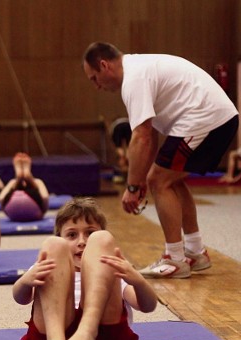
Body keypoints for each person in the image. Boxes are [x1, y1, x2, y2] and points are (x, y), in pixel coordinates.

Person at [82, 42, 239, 278]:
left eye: (94, 78)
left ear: (105, 66)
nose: (96, 86)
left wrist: (134, 186)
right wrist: (140, 179)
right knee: (169, 180)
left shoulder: (134, 78)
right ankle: (195, 252)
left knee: (159, 180)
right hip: (215, 117)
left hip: (206, 118)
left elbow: (142, 137)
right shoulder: (138, 68)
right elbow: (150, 136)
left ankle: (175, 259)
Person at [13, 197, 158, 340]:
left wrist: (138, 280)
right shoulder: (49, 264)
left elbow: (148, 306)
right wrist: (25, 281)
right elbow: (21, 298)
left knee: (102, 239)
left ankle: (88, 329)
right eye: (72, 235)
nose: (82, 241)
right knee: (52, 244)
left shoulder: (112, 267)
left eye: (90, 233)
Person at [0, 152, 49, 222]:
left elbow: (1, 198)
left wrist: (7, 213)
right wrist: (43, 212)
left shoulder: (12, 182)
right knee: (38, 182)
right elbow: (45, 197)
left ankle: (18, 178)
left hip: (12, 209)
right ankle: (28, 176)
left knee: (12, 182)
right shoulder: (38, 182)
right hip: (34, 209)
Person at [110, 117, 132, 183]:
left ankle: (123, 159)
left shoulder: (114, 126)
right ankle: (128, 159)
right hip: (128, 125)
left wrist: (121, 154)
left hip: (118, 127)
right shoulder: (124, 121)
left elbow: (117, 145)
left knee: (119, 147)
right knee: (129, 146)